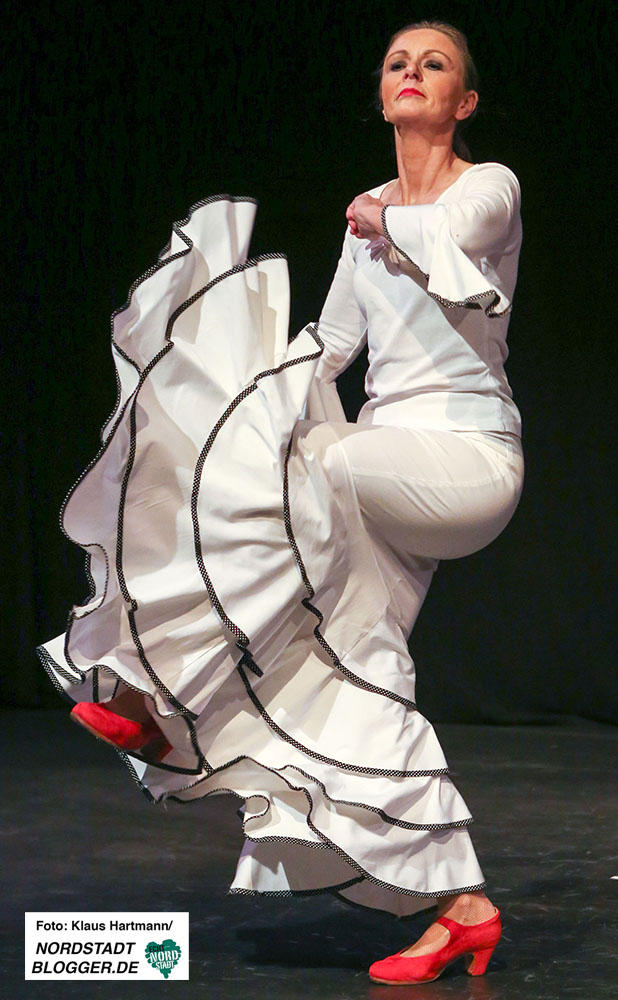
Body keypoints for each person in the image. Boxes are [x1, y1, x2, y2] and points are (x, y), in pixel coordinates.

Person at [37, 19, 523, 987]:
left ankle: (160, 695)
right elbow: (329, 351)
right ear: (382, 95)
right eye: (397, 62)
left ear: (463, 100)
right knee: (352, 675)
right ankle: (461, 909)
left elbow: (451, 240)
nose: (412, 72)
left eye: (433, 64)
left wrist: (380, 218)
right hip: (381, 474)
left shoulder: (487, 186)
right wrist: (219, 405)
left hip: (469, 461)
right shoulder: (365, 222)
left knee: (317, 457)